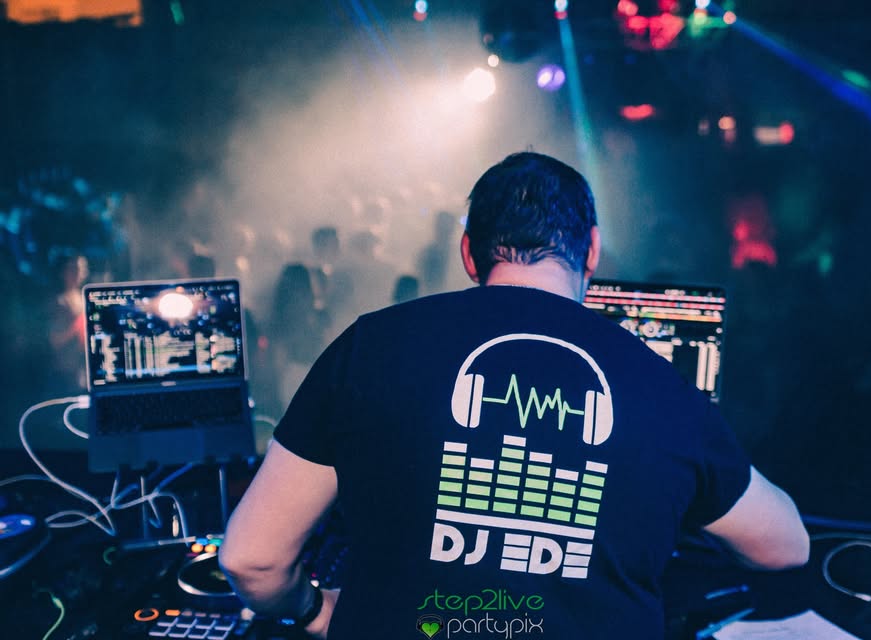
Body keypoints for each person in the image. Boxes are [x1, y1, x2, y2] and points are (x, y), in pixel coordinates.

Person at [219, 152, 809, 639]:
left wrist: (312, 610)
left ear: (468, 253)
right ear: (592, 251)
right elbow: (785, 546)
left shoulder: (369, 346)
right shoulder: (664, 387)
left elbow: (252, 558)